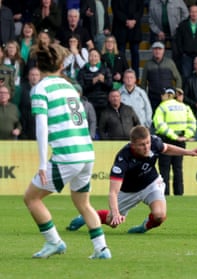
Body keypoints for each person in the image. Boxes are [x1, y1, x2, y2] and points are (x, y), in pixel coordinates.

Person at [23, 42, 110, 259]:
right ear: (61, 65)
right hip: (86, 151)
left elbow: (41, 128)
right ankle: (102, 248)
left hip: (67, 154)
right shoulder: (68, 86)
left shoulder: (40, 89)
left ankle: (54, 242)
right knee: (83, 202)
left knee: (31, 198)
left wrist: (43, 163)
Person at [66, 125, 197, 234]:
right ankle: (86, 216)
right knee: (112, 221)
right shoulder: (123, 158)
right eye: (142, 144)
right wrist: (115, 213)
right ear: (133, 144)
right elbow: (113, 192)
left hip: (151, 184)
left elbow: (167, 148)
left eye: (147, 143)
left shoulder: (154, 142)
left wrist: (189, 152)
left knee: (159, 215)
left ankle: (143, 227)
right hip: (129, 191)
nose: (146, 147)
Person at [153, 88, 197, 195]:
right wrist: (186, 136)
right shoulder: (185, 107)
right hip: (181, 139)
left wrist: (173, 136)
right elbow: (193, 123)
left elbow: (159, 124)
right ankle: (179, 194)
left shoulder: (162, 107)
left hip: (166, 140)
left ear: (166, 95)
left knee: (164, 169)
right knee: (178, 169)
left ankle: (164, 194)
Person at [140, 41, 182, 111]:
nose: (157, 51)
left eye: (160, 49)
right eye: (155, 49)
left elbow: (178, 78)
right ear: (152, 51)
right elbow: (143, 82)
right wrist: (144, 97)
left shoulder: (170, 63)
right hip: (153, 97)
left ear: (163, 51)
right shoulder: (147, 64)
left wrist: (176, 92)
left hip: (168, 96)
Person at [174, 4, 197, 80]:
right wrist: (182, 52)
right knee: (186, 76)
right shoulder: (183, 25)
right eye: (192, 12)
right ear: (189, 13)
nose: (194, 14)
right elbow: (178, 40)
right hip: (186, 56)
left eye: (196, 12)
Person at [111, 0, 144, 79]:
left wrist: (134, 20)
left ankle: (135, 77)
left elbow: (140, 10)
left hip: (134, 28)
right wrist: (126, 20)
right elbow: (115, 10)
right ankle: (122, 77)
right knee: (120, 54)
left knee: (135, 53)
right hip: (120, 28)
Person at [19, 67, 41, 140]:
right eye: (32, 75)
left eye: (36, 75)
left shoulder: (43, 89)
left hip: (38, 124)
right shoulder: (21, 89)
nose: (34, 77)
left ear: (40, 77)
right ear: (28, 76)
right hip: (24, 124)